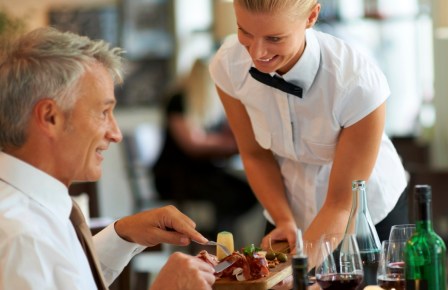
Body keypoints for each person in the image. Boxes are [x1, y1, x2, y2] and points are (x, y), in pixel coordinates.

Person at [0, 27, 216, 290]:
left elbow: (64, 279)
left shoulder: (33, 215)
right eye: (104, 112)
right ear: (50, 117)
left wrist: (122, 235)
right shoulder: (23, 239)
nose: (116, 134)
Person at [208, 0, 409, 251]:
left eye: (274, 38)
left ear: (311, 17)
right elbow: (255, 154)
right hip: (287, 209)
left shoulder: (358, 83)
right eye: (245, 32)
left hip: (363, 213)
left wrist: (299, 271)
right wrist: (283, 219)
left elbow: (340, 204)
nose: (257, 52)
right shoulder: (228, 65)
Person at [152, 59, 257, 237]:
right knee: (235, 193)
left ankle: (221, 235)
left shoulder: (201, 106)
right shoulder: (178, 100)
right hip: (176, 175)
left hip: (197, 172)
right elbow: (192, 143)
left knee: (246, 190)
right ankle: (217, 237)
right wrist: (231, 144)